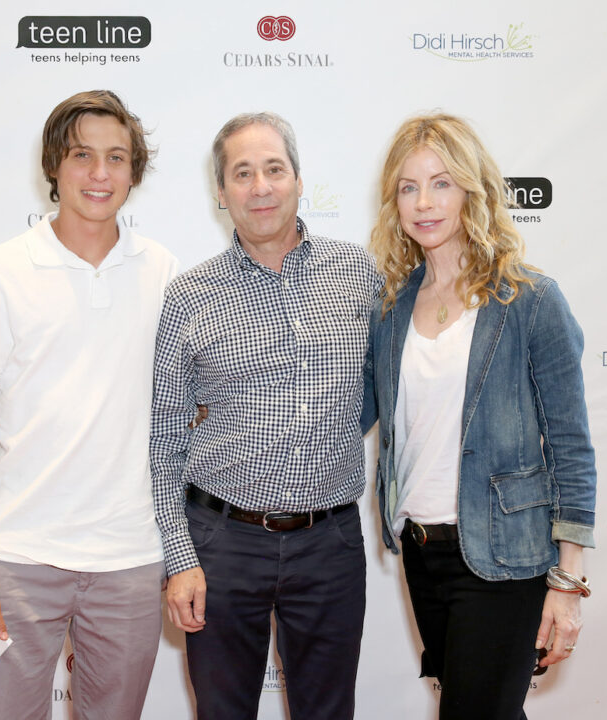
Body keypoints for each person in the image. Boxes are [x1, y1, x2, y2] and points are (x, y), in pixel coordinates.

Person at [0, 90, 177, 719]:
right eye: (82, 156)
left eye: (117, 158)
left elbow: (189, 413)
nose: (99, 174)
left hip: (130, 559)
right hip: (16, 559)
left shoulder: (164, 273)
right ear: (54, 165)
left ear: (134, 170)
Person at [361, 114, 596, 719]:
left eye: (441, 183)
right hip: (421, 549)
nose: (424, 202)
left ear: (473, 190)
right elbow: (355, 413)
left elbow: (571, 445)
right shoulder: (393, 306)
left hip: (504, 556)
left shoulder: (529, 299)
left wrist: (567, 585)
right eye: (408, 187)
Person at [151, 111, 380, 720]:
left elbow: (384, 389)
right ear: (221, 194)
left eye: (274, 169)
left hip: (330, 543)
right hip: (222, 543)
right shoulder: (189, 295)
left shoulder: (358, 274)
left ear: (299, 181)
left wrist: (325, 440)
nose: (260, 187)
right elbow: (165, 437)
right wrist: (180, 557)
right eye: (242, 174)